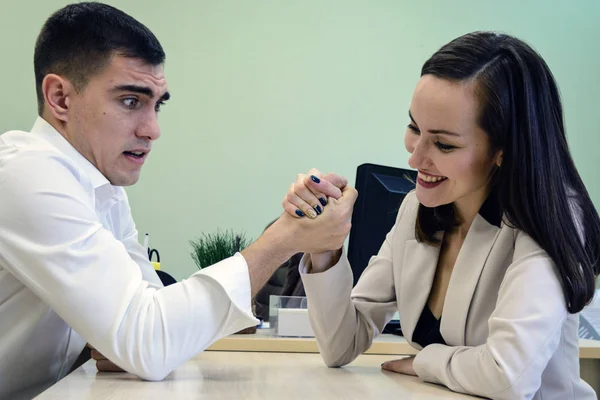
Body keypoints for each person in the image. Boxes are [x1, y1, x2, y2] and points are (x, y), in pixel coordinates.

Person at [0, 3, 356, 399]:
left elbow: (155, 321)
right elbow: (151, 341)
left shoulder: (102, 188)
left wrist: (137, 339)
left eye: (157, 103)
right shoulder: (23, 174)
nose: (152, 130)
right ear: (60, 98)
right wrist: (285, 238)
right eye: (131, 101)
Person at [283, 32, 600, 399]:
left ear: (503, 149)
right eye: (414, 127)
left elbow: (509, 377)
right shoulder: (417, 208)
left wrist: (424, 362)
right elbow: (341, 344)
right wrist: (326, 245)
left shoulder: (552, 217)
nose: (415, 159)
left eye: (444, 143)